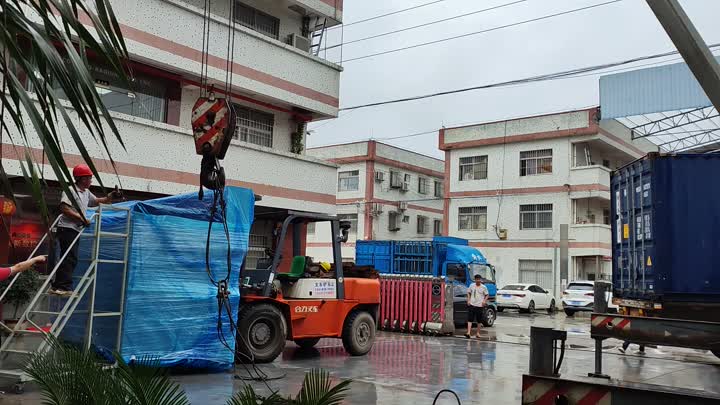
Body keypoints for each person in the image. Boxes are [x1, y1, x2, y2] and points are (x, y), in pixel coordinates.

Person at [50, 164, 121, 296]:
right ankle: (61, 287)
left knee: (71, 257)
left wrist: (112, 196)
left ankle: (60, 286)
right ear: (82, 179)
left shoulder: (86, 193)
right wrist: (82, 218)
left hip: (74, 229)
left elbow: (98, 201)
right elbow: (65, 208)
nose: (91, 181)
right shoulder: (70, 190)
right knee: (69, 257)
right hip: (67, 228)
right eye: (89, 178)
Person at [466, 274, 489, 338]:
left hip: (479, 306)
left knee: (479, 320)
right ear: (475, 280)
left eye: (479, 279)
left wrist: (484, 301)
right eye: (477, 279)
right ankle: (468, 333)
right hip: (472, 304)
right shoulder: (472, 285)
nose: (478, 280)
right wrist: (468, 300)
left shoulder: (484, 287)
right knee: (470, 319)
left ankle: (478, 333)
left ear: (481, 280)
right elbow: (468, 292)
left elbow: (487, 295)